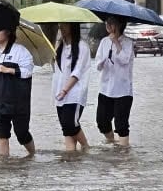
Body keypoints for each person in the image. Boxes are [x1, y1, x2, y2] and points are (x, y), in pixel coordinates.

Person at [0, 26, 36, 157]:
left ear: (8, 31)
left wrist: (8, 70)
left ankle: (32, 155)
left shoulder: (20, 51)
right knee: (2, 134)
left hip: (18, 102)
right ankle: (4, 166)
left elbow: (28, 72)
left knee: (22, 133)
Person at [95, 16, 135, 147]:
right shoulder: (104, 42)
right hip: (106, 88)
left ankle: (123, 154)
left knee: (121, 124)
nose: (107, 25)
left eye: (111, 23)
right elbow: (97, 64)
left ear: (118, 25)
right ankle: (112, 142)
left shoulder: (128, 43)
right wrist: (102, 61)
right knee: (102, 121)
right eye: (107, 23)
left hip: (122, 90)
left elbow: (124, 60)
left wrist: (117, 43)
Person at [53, 22, 92, 151]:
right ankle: (71, 158)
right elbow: (57, 70)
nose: (61, 27)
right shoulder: (60, 46)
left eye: (64, 25)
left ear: (72, 26)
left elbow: (77, 72)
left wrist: (65, 90)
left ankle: (86, 147)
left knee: (71, 124)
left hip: (75, 94)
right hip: (59, 94)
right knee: (66, 129)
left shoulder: (82, 47)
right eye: (60, 25)